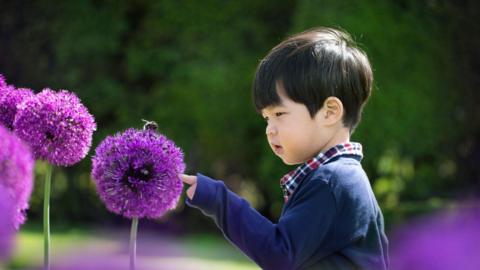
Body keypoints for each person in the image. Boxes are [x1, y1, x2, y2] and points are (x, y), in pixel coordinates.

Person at [180, 27, 389, 270]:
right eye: (267, 118)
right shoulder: (340, 177)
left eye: (279, 113)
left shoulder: (333, 181)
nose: (270, 129)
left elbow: (279, 254)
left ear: (330, 112)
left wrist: (218, 199)